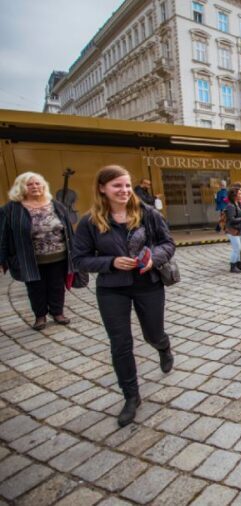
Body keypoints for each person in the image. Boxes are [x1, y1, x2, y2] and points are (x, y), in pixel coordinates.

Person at [71, 165, 175, 427]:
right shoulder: (90, 221)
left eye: (127, 185)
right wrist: (111, 262)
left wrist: (153, 259)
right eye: (117, 185)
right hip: (112, 288)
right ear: (102, 188)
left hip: (148, 283)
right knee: (120, 343)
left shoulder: (148, 213)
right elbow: (79, 259)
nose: (124, 190)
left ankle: (163, 346)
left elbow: (168, 244)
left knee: (153, 333)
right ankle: (131, 396)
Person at [0, 172, 77, 330]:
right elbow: (3, 236)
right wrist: (1, 259)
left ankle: (57, 312)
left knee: (57, 286)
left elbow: (68, 230)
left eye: (37, 183)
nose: (34, 187)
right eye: (29, 184)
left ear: (43, 186)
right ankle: (40, 316)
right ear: (21, 188)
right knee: (35, 288)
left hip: (58, 256)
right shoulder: (10, 209)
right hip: (29, 258)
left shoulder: (56, 205)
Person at [224, 186, 241, 273]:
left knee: (239, 248)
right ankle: (232, 266)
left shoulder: (238, 203)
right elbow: (232, 220)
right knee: (237, 248)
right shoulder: (230, 206)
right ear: (234, 196)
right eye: (239, 193)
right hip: (232, 230)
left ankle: (238, 264)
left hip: (238, 229)